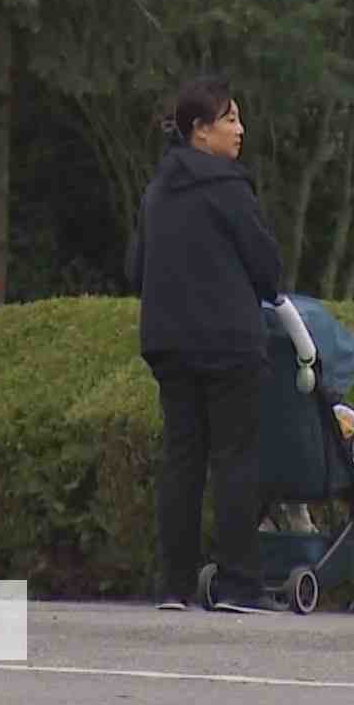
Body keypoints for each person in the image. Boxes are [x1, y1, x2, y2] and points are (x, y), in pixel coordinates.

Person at [126, 75, 286, 614]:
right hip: (228, 340)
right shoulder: (228, 188)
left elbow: (135, 267)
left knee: (182, 458)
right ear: (200, 131)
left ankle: (174, 584)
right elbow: (268, 270)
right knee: (235, 457)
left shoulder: (157, 190)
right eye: (230, 120)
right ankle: (240, 582)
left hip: (168, 340)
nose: (240, 131)